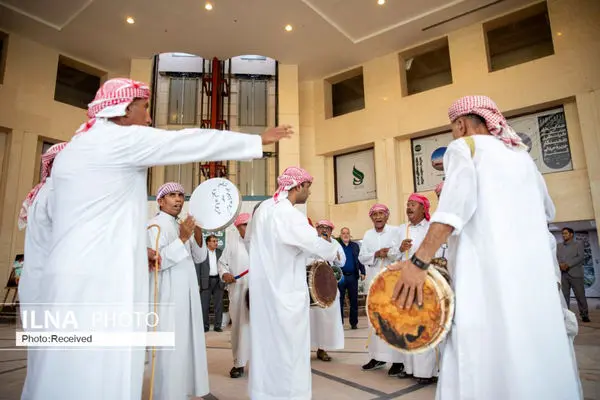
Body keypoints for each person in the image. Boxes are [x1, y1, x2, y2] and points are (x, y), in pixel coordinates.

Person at [25, 78, 292, 400]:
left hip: (67, 278)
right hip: (102, 280)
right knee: (102, 371)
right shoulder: (116, 140)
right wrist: (255, 140)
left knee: (60, 369)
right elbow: (187, 142)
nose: (149, 119)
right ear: (123, 110)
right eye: (144, 108)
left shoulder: (75, 151)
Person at [391, 95, 580, 399]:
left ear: (461, 124)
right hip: (534, 285)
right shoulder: (523, 159)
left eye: (453, 128)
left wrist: (418, 263)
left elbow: (452, 210)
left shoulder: (464, 147)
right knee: (532, 353)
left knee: (482, 356)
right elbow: (548, 212)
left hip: (486, 280)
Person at [247, 167, 340, 400]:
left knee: (266, 347)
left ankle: (263, 394)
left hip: (264, 293)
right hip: (286, 293)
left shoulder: (264, 209)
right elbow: (314, 244)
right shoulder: (288, 213)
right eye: (308, 187)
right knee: (291, 350)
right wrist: (334, 250)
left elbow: (253, 242)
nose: (309, 193)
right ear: (298, 186)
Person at [147, 182, 209, 400]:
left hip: (187, 295)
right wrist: (183, 237)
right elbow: (156, 263)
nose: (178, 199)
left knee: (184, 349)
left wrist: (198, 227)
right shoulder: (154, 226)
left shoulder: (180, 224)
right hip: (168, 297)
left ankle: (180, 393)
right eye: (172, 195)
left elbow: (200, 257)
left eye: (181, 195)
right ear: (161, 201)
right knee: (171, 352)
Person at [17, 142, 67, 400]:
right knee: (54, 360)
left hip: (36, 286)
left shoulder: (40, 194)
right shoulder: (58, 195)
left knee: (41, 357)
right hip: (51, 289)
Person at [395, 193, 443, 384]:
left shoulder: (431, 228)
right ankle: (409, 368)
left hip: (424, 281)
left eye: (413, 204)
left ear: (424, 208)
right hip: (403, 283)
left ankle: (426, 372)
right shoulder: (401, 229)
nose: (409, 207)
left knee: (423, 326)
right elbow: (392, 255)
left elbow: (438, 253)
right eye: (407, 204)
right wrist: (399, 249)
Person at [358, 204, 405, 376]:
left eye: (381, 214)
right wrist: (376, 254)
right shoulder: (368, 235)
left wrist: (390, 253)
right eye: (375, 214)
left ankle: (398, 361)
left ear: (387, 216)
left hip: (392, 283)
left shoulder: (396, 231)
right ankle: (378, 357)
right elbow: (362, 257)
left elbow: (401, 253)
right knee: (375, 321)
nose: (378, 217)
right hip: (374, 283)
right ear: (371, 217)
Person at [218, 212, 251, 378]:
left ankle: (262, 363)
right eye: (245, 225)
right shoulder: (232, 243)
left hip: (259, 292)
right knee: (239, 327)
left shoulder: (261, 242)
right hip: (238, 291)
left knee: (261, 328)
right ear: (238, 228)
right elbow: (222, 263)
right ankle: (239, 363)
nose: (248, 228)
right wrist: (225, 274)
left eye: (249, 225)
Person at [309, 220, 346, 362]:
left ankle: (322, 348)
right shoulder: (311, 241)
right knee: (310, 316)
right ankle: (304, 348)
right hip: (311, 282)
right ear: (316, 229)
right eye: (321, 228)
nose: (324, 230)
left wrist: (330, 247)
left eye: (327, 228)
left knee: (325, 317)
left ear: (331, 231)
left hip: (327, 284)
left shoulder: (335, 244)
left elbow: (342, 262)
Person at [557, 227, 590, 322]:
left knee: (580, 296)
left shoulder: (578, 244)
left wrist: (568, 264)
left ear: (571, 234)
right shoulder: (559, 246)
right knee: (564, 296)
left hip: (575, 273)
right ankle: (566, 316)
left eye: (566, 233)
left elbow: (580, 257)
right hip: (563, 275)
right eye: (563, 233)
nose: (563, 235)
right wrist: (560, 265)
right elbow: (556, 258)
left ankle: (584, 315)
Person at [337, 227, 365, 329]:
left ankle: (354, 323)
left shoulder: (355, 246)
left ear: (350, 235)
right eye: (343, 233)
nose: (345, 235)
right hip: (340, 277)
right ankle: (340, 324)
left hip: (353, 276)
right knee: (339, 300)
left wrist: (363, 271)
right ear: (340, 235)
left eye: (347, 233)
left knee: (354, 300)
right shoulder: (337, 246)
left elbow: (360, 259)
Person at [197, 234, 225, 332]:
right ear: (208, 242)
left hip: (218, 281)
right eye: (213, 241)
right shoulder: (202, 253)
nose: (216, 243)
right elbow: (198, 268)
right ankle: (205, 326)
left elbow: (225, 265)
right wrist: (198, 282)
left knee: (219, 305)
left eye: (216, 241)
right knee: (204, 305)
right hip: (206, 281)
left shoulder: (220, 253)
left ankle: (218, 326)